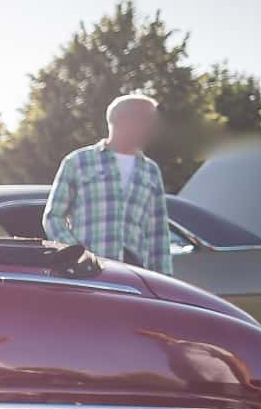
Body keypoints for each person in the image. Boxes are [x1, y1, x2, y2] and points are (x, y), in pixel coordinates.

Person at [41, 93, 171, 274]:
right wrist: (77, 255)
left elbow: (159, 231)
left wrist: (164, 279)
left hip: (135, 276)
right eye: (146, 119)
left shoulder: (151, 170)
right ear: (121, 119)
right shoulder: (78, 162)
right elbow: (53, 216)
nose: (152, 127)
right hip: (86, 274)